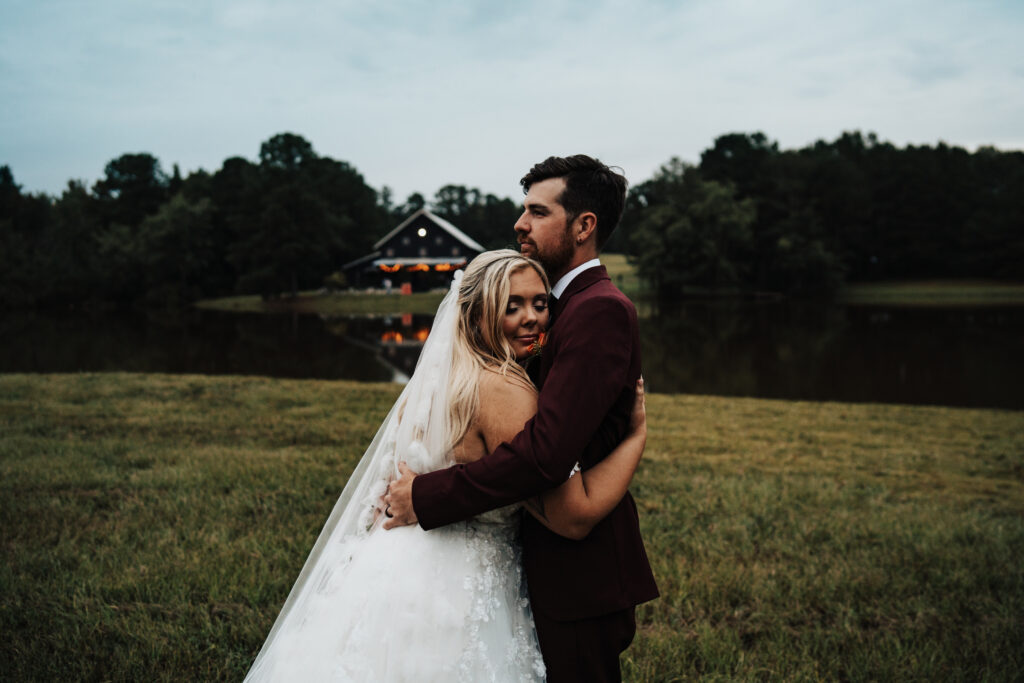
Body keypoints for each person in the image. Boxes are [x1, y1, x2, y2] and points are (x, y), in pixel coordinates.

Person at [243, 250, 648, 682]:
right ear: (476, 317)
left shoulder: (438, 379)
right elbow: (570, 516)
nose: (532, 318)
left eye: (540, 303)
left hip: (392, 568)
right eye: (511, 306)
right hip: (458, 586)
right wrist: (635, 436)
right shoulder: (507, 390)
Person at [385, 155, 660, 682]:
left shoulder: (598, 309)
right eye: (522, 210)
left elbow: (546, 455)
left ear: (584, 226)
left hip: (579, 573)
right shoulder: (561, 308)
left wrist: (426, 495)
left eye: (537, 211)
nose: (520, 224)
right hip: (543, 562)